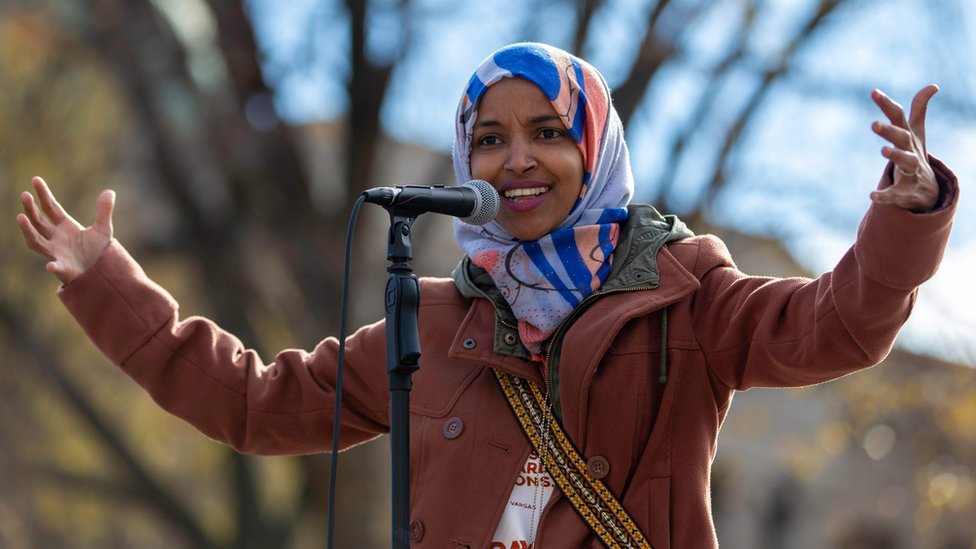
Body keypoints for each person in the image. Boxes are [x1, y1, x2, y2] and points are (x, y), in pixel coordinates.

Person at [17, 42, 958, 548]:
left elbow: (836, 325)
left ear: (595, 153)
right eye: (489, 138)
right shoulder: (429, 320)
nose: (515, 160)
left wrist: (905, 216)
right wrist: (109, 284)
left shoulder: (688, 294)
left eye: (548, 131)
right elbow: (257, 403)